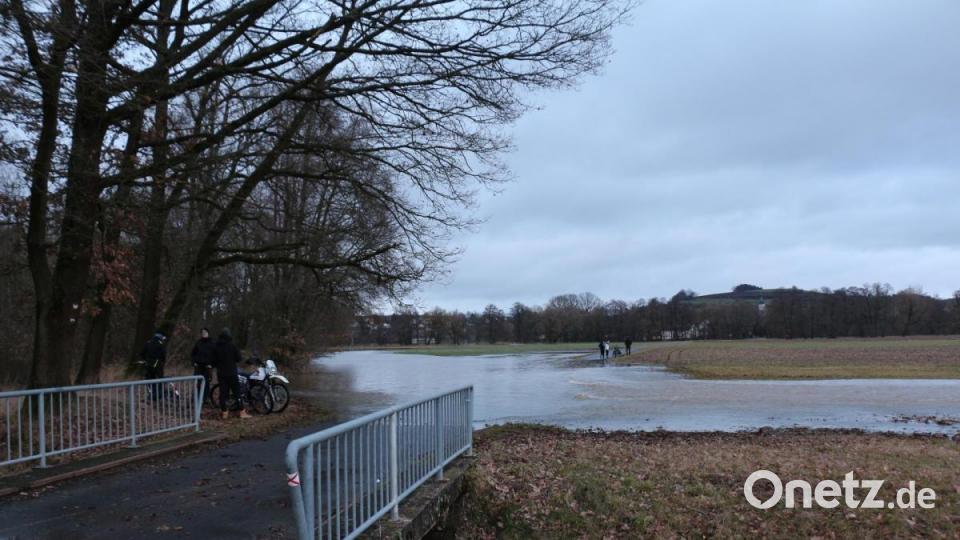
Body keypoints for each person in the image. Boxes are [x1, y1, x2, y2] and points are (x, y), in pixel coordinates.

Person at [212, 328, 251, 420]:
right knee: (237, 392)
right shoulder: (232, 346)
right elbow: (238, 358)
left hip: (221, 373)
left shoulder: (216, 346)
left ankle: (224, 412)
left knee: (223, 393)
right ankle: (242, 412)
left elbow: (213, 361)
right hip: (232, 372)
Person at [140, 330, 167, 400]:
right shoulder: (160, 343)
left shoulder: (148, 342)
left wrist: (145, 360)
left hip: (148, 364)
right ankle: (159, 395)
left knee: (149, 380)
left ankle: (151, 394)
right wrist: (162, 361)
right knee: (160, 380)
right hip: (158, 365)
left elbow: (142, 353)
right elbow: (163, 354)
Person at [191, 327, 215, 400]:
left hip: (207, 366)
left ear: (208, 333)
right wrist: (194, 362)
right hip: (198, 366)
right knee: (197, 382)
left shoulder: (212, 343)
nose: (203, 334)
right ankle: (196, 397)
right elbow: (193, 353)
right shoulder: (198, 342)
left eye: (205, 332)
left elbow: (215, 355)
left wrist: (212, 364)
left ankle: (205, 398)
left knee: (206, 383)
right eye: (202, 332)